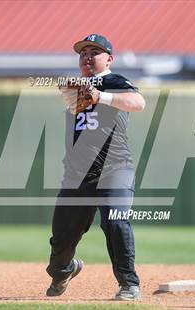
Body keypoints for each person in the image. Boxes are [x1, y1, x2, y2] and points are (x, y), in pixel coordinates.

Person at [45, 34, 145, 301]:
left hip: (115, 168)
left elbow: (138, 103)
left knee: (115, 221)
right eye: (83, 53)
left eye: (95, 52)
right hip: (78, 175)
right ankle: (65, 270)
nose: (87, 56)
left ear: (109, 58)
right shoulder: (76, 87)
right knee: (61, 240)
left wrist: (101, 95)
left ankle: (129, 284)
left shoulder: (114, 81)